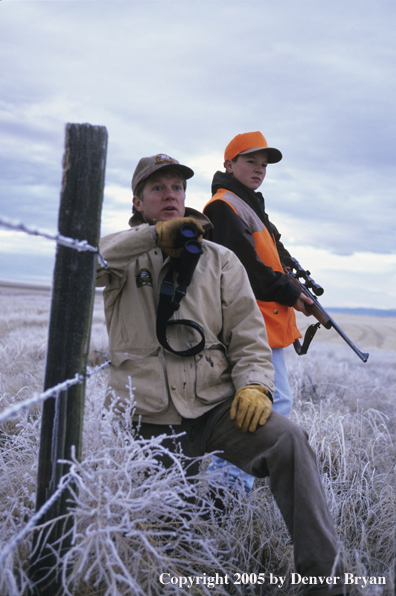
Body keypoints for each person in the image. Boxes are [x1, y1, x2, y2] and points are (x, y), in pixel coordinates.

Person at [96, 152, 347, 596]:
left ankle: (322, 582)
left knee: (289, 441)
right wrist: (152, 238)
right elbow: (83, 264)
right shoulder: (120, 259)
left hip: (214, 407)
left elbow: (248, 337)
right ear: (138, 201)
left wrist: (254, 385)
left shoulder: (220, 260)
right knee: (169, 537)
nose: (170, 195)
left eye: (177, 187)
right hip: (148, 419)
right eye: (158, 188)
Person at [203, 131, 313, 494]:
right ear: (228, 164)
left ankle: (226, 487)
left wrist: (293, 288)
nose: (259, 169)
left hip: (266, 322)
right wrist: (289, 292)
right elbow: (243, 266)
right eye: (251, 161)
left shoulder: (248, 206)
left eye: (263, 165)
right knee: (272, 400)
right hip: (249, 324)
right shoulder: (223, 206)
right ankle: (228, 488)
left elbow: (269, 261)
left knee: (264, 401)